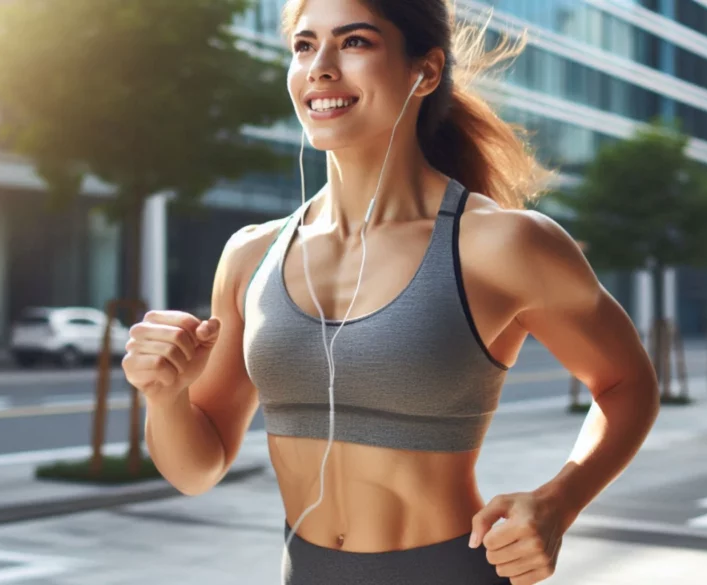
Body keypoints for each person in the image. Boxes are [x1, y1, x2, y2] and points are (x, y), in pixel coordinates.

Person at [122, 0, 660, 583]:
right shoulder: (250, 255)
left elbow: (628, 384)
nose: (321, 67)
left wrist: (560, 501)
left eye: (354, 42)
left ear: (424, 71)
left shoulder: (502, 245)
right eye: (304, 45)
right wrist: (166, 396)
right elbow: (197, 470)